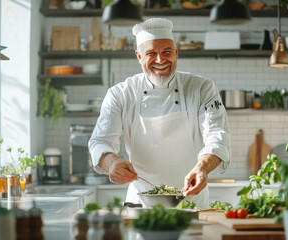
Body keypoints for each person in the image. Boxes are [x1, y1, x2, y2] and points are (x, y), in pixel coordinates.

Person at [88, 18, 231, 208]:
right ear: (139, 57)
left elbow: (217, 137)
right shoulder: (120, 94)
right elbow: (100, 141)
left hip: (191, 201)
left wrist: (202, 168)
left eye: (166, 52)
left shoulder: (202, 88)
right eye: (151, 54)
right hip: (141, 202)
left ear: (176, 52)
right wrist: (112, 162)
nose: (160, 60)